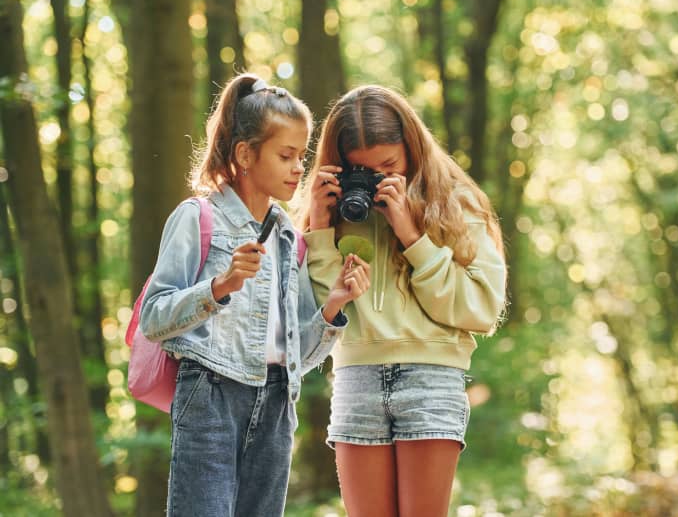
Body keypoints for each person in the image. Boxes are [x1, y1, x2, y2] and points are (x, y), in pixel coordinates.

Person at [139, 73, 370, 517]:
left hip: (278, 402)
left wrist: (334, 304)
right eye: (286, 155)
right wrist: (219, 287)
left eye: (301, 156)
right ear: (245, 154)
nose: (298, 168)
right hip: (210, 397)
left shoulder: (288, 236)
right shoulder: (197, 217)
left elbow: (298, 355)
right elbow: (153, 317)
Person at [296, 85, 507, 517]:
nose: (375, 179)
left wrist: (413, 237)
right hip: (356, 379)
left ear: (411, 146)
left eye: (388, 165)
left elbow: (481, 310)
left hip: (431, 379)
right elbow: (320, 318)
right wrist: (318, 230)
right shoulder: (333, 213)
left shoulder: (458, 203)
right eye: (361, 169)